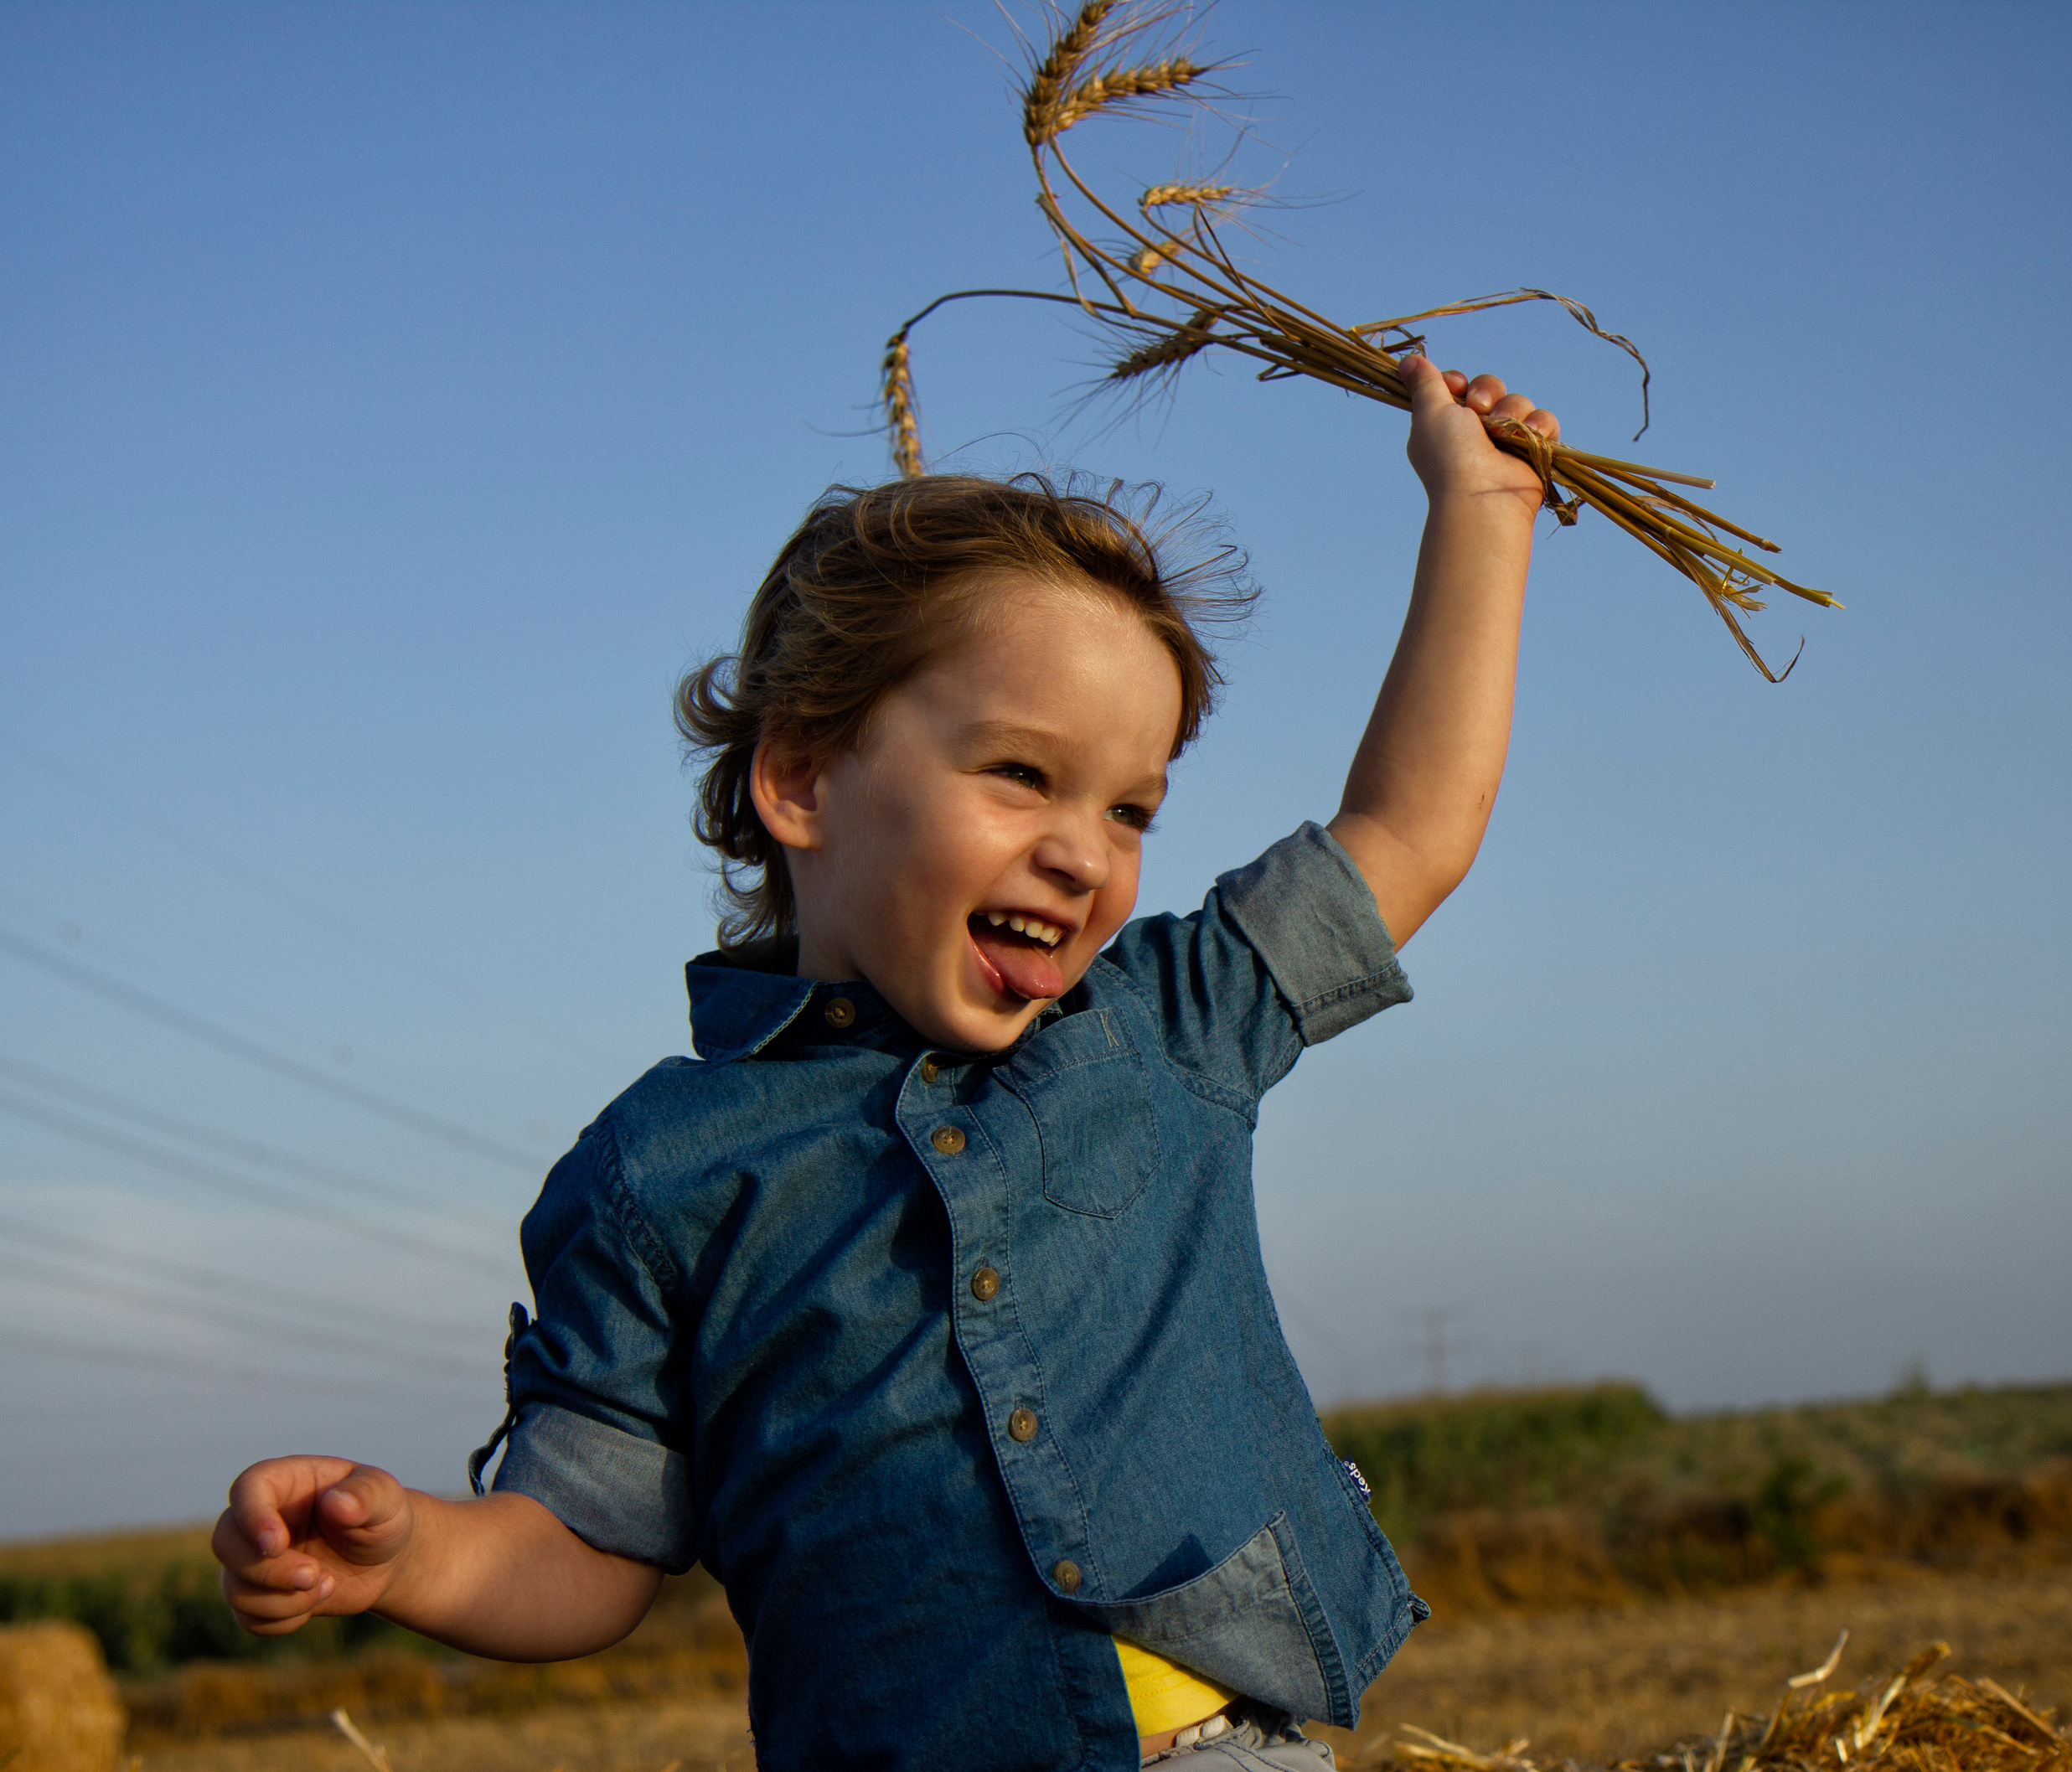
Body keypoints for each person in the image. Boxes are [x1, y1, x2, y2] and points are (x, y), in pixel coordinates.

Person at [211, 355, 1560, 1769]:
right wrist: (414, 1551)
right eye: (1022, 776)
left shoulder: (1166, 1024)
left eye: (1130, 806)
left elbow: (1408, 827)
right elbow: (588, 1542)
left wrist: (1481, 511)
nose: (1083, 849)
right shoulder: (658, 1173)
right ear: (799, 781)